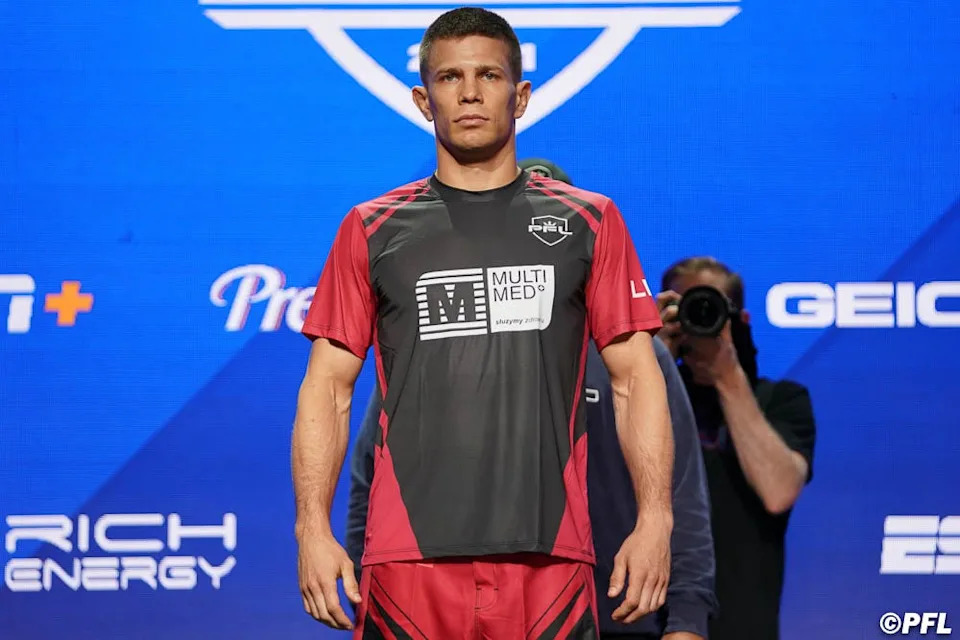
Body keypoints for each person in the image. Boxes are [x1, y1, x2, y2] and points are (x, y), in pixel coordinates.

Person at [291, 8, 673, 639]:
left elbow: (636, 378)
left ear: (520, 95)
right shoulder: (371, 228)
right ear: (422, 99)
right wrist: (312, 527)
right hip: (407, 559)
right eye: (449, 77)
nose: (469, 92)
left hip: (550, 556)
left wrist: (656, 519)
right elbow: (327, 388)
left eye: (489, 75)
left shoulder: (591, 221)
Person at [347, 161, 717, 640]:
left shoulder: (638, 359)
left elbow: (681, 492)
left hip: (622, 609)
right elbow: (370, 482)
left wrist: (687, 621)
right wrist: (366, 585)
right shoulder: (434, 343)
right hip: (470, 595)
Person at [657, 257, 817, 640]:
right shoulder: (646, 396)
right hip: (649, 620)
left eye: (708, 309)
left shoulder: (780, 400)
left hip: (743, 624)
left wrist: (728, 377)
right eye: (683, 309)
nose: (696, 320)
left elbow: (779, 492)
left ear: (739, 321)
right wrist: (651, 356)